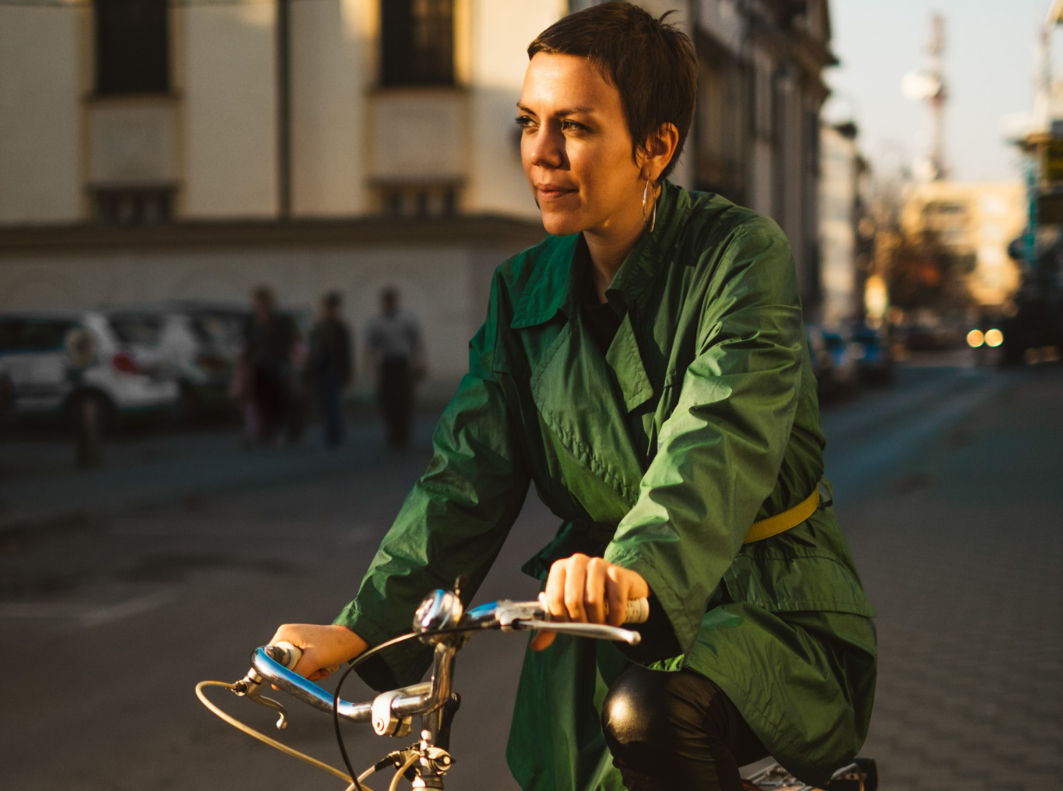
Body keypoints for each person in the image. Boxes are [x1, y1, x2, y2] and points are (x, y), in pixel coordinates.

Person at [270, 4, 876, 791]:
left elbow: (717, 436)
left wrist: (635, 569)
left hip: (762, 604)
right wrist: (360, 629)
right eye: (528, 122)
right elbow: (463, 480)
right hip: (594, 614)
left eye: (575, 127)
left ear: (654, 146)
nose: (540, 154)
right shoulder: (521, 288)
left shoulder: (736, 255)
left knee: (651, 712)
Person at [364, 287, 425, 448]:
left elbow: (416, 342)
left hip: (402, 363)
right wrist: (371, 368)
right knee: (387, 401)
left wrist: (418, 362)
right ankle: (392, 433)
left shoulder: (406, 319)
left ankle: (403, 434)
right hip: (387, 364)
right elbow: (371, 347)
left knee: (404, 400)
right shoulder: (376, 321)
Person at [241, 285, 297, 445]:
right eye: (256, 302)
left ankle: (279, 430)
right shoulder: (251, 321)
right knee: (258, 400)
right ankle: (262, 431)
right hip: (257, 366)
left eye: (260, 302)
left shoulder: (279, 320)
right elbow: (246, 342)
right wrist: (246, 361)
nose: (258, 305)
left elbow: (287, 341)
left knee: (277, 399)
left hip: (276, 365)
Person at [306, 291, 353, 448]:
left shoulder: (339, 328)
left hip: (335, 371)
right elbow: (313, 350)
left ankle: (334, 436)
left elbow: (345, 353)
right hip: (321, 371)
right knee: (324, 406)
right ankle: (331, 434)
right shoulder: (320, 327)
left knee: (333, 405)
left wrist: (346, 373)